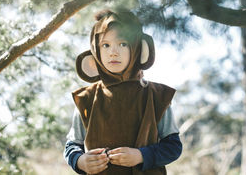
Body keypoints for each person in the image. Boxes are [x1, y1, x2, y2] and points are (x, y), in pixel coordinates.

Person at [64, 9, 182, 175]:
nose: (113, 52)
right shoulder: (86, 99)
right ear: (95, 50)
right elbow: (72, 145)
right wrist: (80, 161)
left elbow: (173, 146)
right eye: (105, 45)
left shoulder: (157, 96)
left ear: (137, 48)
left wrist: (141, 156)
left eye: (123, 44)